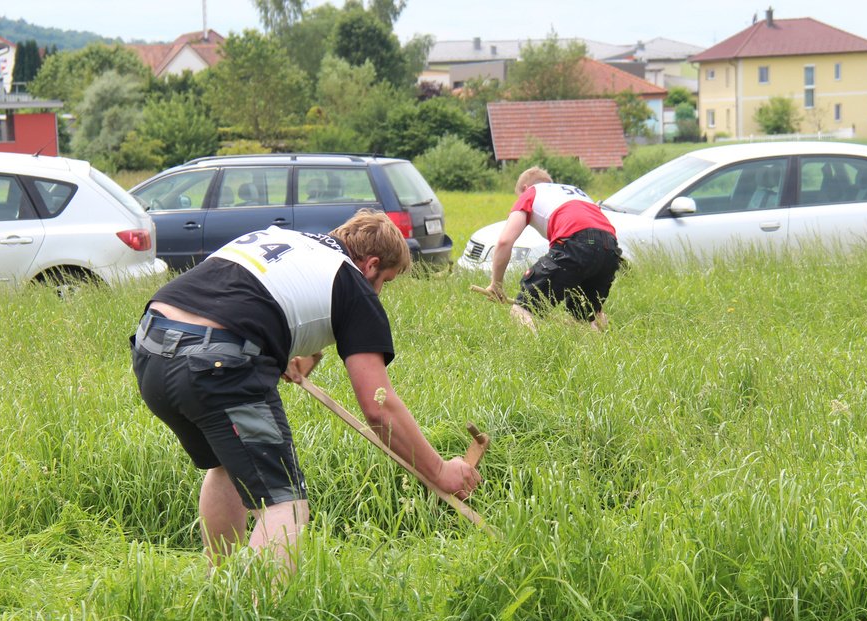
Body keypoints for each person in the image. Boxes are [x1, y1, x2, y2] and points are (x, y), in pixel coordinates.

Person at [131, 210, 482, 571]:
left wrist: (288, 353)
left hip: (152, 347)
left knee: (226, 467)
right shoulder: (353, 283)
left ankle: (219, 586)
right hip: (216, 364)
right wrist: (440, 471)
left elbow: (246, 298)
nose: (378, 292)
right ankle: (255, 606)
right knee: (284, 504)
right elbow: (379, 407)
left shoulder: (286, 240)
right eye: (385, 282)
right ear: (372, 265)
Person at [480, 166, 621, 330]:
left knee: (522, 309)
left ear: (525, 188)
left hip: (576, 242)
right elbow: (594, 239)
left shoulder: (531, 192)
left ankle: (533, 348)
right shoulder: (576, 192)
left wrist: (496, 284)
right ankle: (603, 343)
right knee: (583, 320)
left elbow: (505, 241)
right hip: (610, 248)